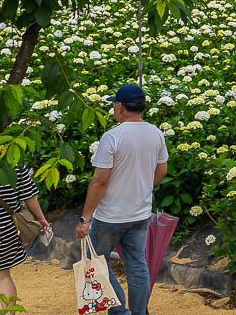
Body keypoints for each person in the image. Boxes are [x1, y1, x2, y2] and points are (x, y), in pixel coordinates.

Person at [76, 84, 168, 315]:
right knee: (137, 265)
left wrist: (85, 217)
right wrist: (143, 188)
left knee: (98, 263)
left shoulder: (112, 137)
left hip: (110, 216)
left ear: (120, 106)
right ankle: (139, 312)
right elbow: (161, 172)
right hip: (140, 214)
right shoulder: (156, 133)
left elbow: (99, 181)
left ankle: (120, 311)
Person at [0, 164, 50, 313]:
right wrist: (41, 218)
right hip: (6, 229)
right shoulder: (16, 165)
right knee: (3, 277)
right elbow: (30, 196)